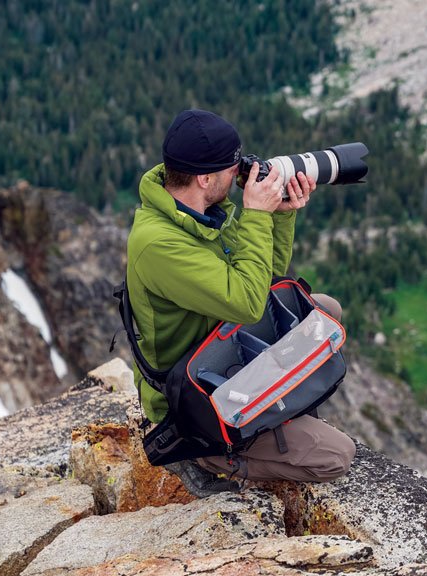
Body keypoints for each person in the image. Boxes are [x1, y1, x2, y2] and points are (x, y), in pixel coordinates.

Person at [126, 109, 355, 495]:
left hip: (220, 340)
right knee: (335, 456)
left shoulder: (198, 212)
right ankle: (206, 455)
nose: (239, 175)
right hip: (193, 389)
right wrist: (256, 214)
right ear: (204, 178)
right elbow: (249, 305)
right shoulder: (158, 243)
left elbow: (263, 283)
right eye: (232, 168)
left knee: (324, 310)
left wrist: (278, 216)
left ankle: (272, 412)